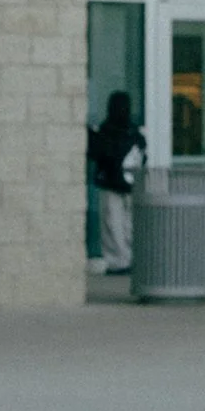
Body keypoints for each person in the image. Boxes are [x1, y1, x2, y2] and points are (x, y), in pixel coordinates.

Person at [87, 89, 145, 274]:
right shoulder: (134, 132)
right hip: (130, 183)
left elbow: (97, 154)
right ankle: (131, 258)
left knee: (112, 224)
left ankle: (118, 261)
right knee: (129, 223)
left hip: (111, 182)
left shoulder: (106, 130)